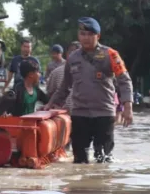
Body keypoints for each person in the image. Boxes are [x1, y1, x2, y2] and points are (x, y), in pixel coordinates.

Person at [45, 17, 133, 164]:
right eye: (82, 34)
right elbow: (64, 87)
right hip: (80, 114)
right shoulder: (73, 58)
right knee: (80, 160)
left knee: (103, 160)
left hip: (104, 115)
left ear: (98, 36)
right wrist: (51, 104)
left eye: (90, 34)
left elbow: (124, 81)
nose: (85, 38)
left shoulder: (111, 55)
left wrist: (128, 107)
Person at [46, 41, 81, 111]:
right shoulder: (55, 70)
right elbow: (57, 91)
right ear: (67, 54)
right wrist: (49, 104)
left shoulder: (89, 71)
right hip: (65, 112)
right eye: (70, 52)